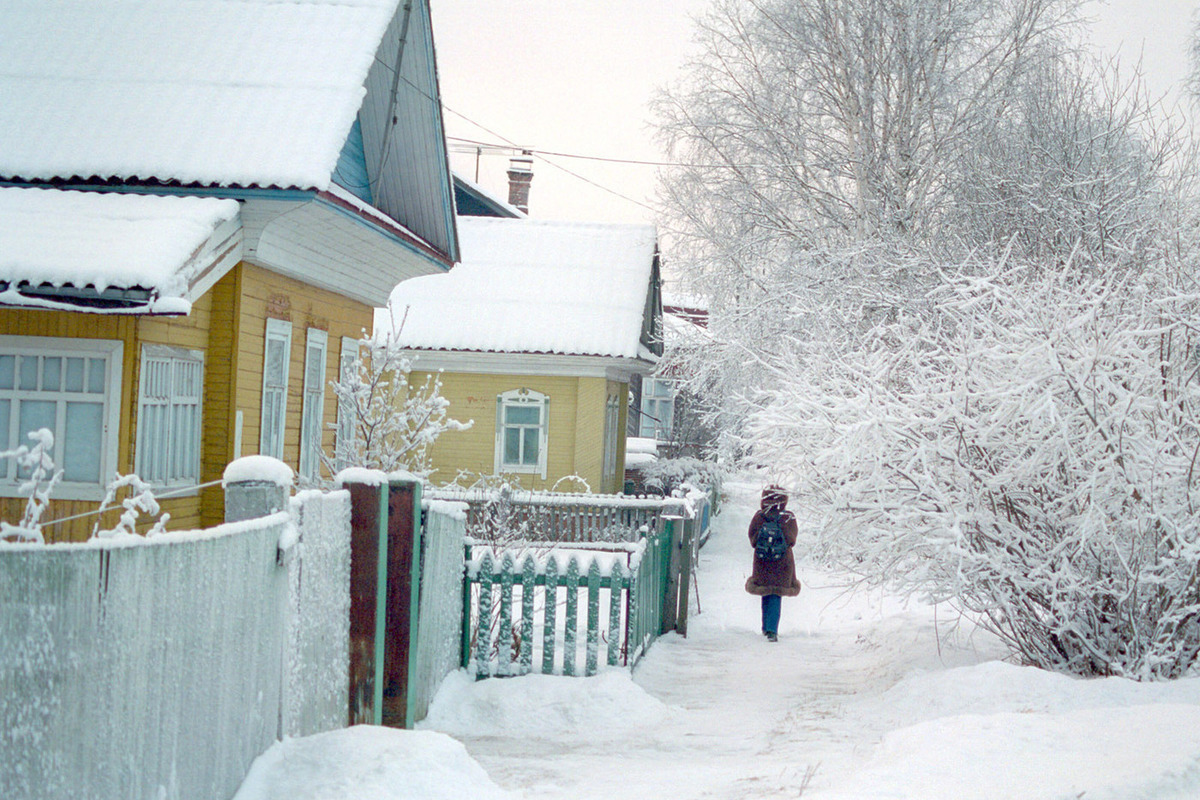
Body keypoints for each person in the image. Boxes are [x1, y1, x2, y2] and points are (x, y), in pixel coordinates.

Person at [745, 485, 801, 641]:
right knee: (776, 594)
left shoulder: (759, 516)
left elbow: (753, 539)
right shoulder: (788, 517)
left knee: (765, 592)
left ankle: (766, 628)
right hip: (782, 562)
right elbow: (792, 540)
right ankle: (772, 630)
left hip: (762, 562)